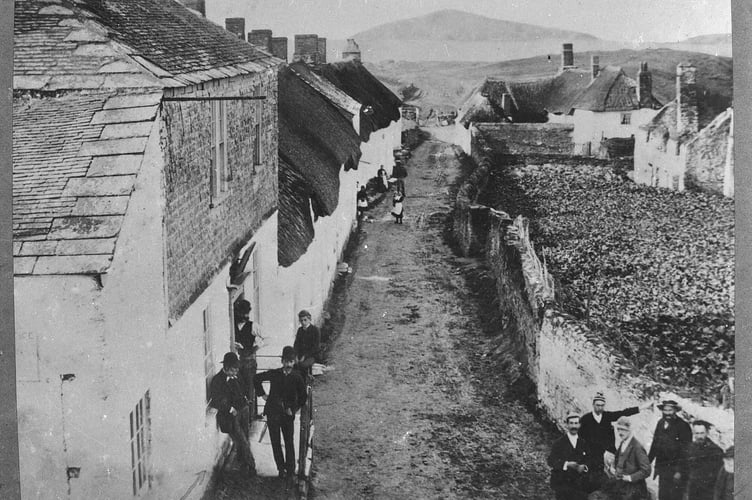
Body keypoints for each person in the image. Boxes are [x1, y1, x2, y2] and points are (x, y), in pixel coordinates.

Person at [254, 346, 307, 478]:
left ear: (294, 362)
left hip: (287, 415)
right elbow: (256, 378)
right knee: (275, 442)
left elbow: (303, 397)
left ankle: (290, 470)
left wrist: (293, 409)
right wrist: (263, 395)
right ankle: (281, 469)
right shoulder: (275, 374)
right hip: (273, 413)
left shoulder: (297, 377)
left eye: (291, 362)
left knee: (289, 442)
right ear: (282, 361)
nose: (288, 365)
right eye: (286, 361)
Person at [579, 392, 651, 484]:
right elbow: (579, 438)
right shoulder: (586, 419)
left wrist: (643, 407)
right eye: (597, 405)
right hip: (592, 454)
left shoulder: (607, 416)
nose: (600, 408)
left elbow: (624, 412)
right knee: (593, 479)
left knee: (612, 478)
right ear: (593, 405)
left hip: (608, 452)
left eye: (602, 405)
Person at [209, 352, 255, 476]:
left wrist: (246, 399)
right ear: (227, 368)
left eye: (236, 370)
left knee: (245, 436)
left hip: (243, 410)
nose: (236, 372)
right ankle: (251, 466)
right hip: (231, 415)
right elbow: (216, 400)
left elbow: (246, 386)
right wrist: (230, 409)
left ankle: (243, 463)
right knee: (241, 439)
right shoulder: (217, 380)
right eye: (234, 370)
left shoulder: (237, 375)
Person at [547, 411, 598, 500]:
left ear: (579, 425)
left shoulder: (584, 443)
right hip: (563, 484)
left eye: (576, 423)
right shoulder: (559, 443)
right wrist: (567, 464)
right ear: (567, 425)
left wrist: (585, 467)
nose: (574, 426)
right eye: (571, 423)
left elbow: (590, 460)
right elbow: (551, 461)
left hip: (579, 485)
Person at [598, 416, 650, 500]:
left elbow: (646, 470)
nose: (620, 432)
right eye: (618, 429)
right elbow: (617, 459)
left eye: (623, 430)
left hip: (633, 487)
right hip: (621, 484)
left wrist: (630, 477)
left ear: (629, 430)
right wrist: (612, 467)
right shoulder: (623, 443)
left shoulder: (637, 447)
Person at [648, 400, 692, 500]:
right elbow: (655, 444)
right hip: (662, 468)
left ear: (675, 411)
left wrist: (680, 471)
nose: (667, 413)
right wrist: (647, 462)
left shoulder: (683, 426)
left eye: (670, 410)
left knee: (676, 496)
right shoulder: (660, 423)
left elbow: (687, 451)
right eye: (665, 410)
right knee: (663, 495)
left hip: (676, 471)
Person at [685, 420, 724, 500]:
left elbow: (719, 475)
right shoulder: (690, 448)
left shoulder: (715, 450)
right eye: (697, 433)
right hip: (693, 489)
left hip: (709, 490)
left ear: (707, 433)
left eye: (702, 433)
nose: (699, 436)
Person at [234, 299, 259, 418]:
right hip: (238, 363)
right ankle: (243, 416)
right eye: (242, 313)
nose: (245, 316)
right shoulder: (232, 325)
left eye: (247, 313)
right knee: (239, 387)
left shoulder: (252, 325)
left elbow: (267, 337)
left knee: (250, 388)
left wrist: (255, 348)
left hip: (249, 362)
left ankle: (250, 416)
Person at [293, 310, 320, 378]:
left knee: (303, 365)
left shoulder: (315, 330)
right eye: (301, 320)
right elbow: (296, 345)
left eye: (305, 320)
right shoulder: (300, 330)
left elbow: (315, 347)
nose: (303, 322)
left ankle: (307, 382)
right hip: (301, 356)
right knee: (294, 365)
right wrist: (295, 355)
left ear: (309, 319)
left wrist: (305, 356)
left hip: (312, 355)